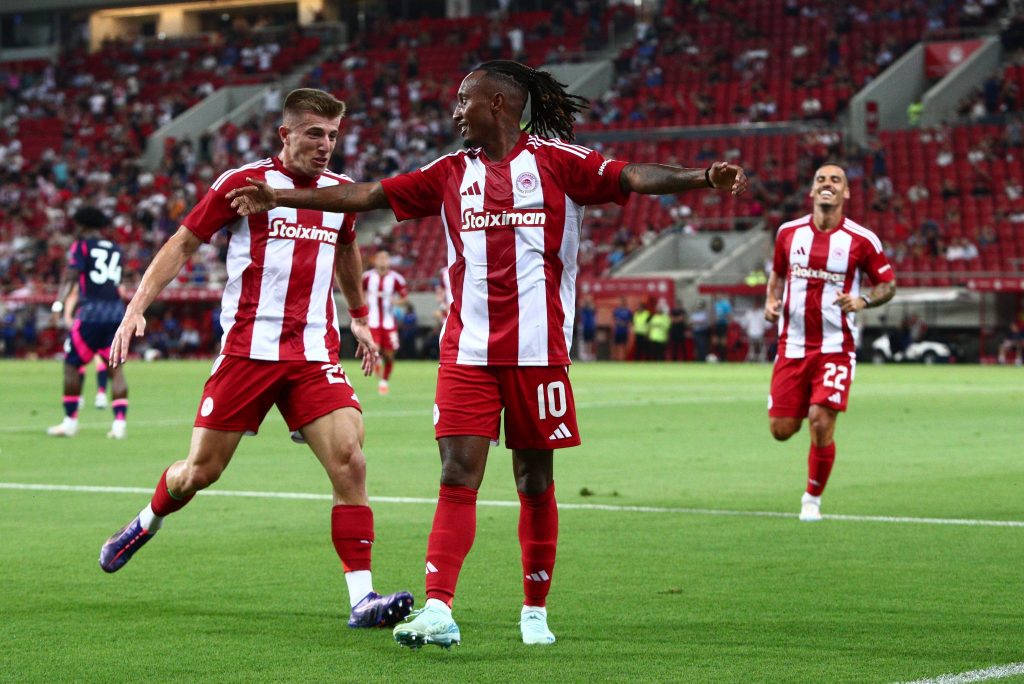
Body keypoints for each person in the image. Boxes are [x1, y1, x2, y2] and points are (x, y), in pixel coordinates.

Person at [228, 60, 747, 649]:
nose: (455, 112)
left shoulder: (559, 162)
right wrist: (280, 195)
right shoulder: (450, 172)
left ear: (496, 104)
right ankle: (438, 608)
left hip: (539, 355)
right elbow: (370, 194)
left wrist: (702, 177)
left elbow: (631, 177)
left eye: (463, 100)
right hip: (467, 353)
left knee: (534, 480)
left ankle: (534, 611)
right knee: (456, 474)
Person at [97, 88, 414, 629]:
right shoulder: (242, 184)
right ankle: (146, 521)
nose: (326, 145)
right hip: (248, 351)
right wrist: (136, 308)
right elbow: (183, 243)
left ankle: (362, 599)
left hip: (312, 352)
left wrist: (359, 314)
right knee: (200, 472)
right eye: (314, 134)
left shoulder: (338, 192)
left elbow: (346, 247)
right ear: (285, 134)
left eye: (333, 135)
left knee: (350, 460)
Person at [764, 163, 896, 522]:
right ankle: (805, 403)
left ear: (846, 192)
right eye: (821, 179)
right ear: (811, 191)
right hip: (791, 346)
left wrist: (863, 300)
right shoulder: (788, 233)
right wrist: (770, 301)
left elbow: (887, 285)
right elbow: (777, 274)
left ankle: (812, 498)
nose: (827, 184)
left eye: (835, 180)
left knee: (820, 421)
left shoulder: (862, 240)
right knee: (781, 431)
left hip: (836, 347)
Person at [47, 207, 130, 439]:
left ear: (83, 225)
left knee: (71, 365)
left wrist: (59, 304)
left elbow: (71, 277)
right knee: (116, 369)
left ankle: (70, 422)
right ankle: (119, 425)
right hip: (115, 313)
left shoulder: (81, 246)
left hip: (91, 314)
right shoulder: (115, 248)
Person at [363, 248, 409, 394]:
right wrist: (363, 303)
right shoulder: (367, 277)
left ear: (389, 261)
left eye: (385, 258)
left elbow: (405, 298)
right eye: (380, 258)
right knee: (375, 348)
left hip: (389, 322)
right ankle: (377, 361)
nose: (382, 261)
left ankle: (384, 382)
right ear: (375, 261)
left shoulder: (396, 278)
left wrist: (396, 302)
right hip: (373, 321)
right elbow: (359, 292)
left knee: (389, 355)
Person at [611, 296, 632, 361]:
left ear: (625, 302)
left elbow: (630, 321)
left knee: (624, 345)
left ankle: (625, 358)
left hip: (624, 331)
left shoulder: (628, 311)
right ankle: (615, 358)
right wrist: (617, 323)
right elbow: (614, 319)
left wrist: (625, 324)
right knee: (615, 345)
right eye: (620, 301)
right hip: (618, 331)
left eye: (622, 301)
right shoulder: (617, 310)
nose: (621, 302)